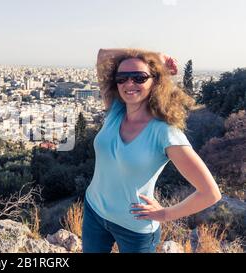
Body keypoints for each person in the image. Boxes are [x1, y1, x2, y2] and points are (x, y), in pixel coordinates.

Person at [82, 48, 222, 253]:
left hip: (135, 228)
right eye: (122, 78)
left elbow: (210, 193)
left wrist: (166, 214)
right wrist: (158, 56)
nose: (129, 84)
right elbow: (103, 55)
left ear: (155, 82)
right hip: (94, 211)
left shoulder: (164, 133)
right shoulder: (116, 110)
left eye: (139, 77)